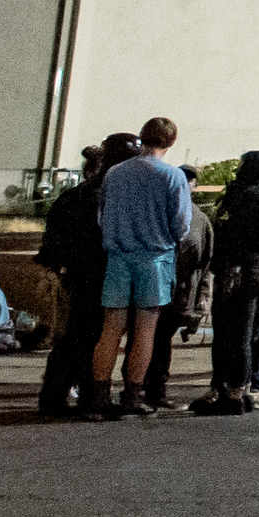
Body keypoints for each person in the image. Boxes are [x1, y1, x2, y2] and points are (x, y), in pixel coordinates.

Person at [89, 115, 192, 420]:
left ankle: (98, 395)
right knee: (145, 330)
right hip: (155, 260)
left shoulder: (115, 174)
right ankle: (132, 396)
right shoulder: (173, 177)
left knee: (110, 329)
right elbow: (182, 224)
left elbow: (102, 216)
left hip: (118, 257)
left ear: (142, 137)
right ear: (171, 142)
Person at [195, 148, 259, 416]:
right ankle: (245, 389)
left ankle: (230, 395)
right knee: (251, 334)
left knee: (233, 335)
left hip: (240, 272)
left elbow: (227, 233)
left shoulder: (243, 196)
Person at [35, 138, 128, 416]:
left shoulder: (75, 195)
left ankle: (55, 393)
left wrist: (60, 265)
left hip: (76, 273)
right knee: (93, 335)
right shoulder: (110, 197)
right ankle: (89, 393)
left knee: (75, 335)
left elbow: (53, 238)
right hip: (101, 271)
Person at [140, 167, 214, 410]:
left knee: (153, 337)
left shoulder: (194, 218)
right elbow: (204, 262)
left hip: (166, 287)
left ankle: (143, 387)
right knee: (159, 339)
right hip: (175, 289)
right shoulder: (197, 218)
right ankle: (152, 389)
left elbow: (204, 263)